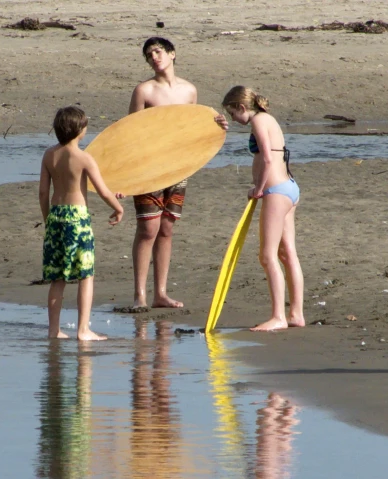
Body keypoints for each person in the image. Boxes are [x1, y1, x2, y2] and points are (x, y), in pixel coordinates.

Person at [126, 36, 228, 311]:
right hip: (149, 167)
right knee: (148, 228)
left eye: (158, 52)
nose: (154, 57)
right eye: (149, 55)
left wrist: (216, 125)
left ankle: (160, 293)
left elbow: (193, 129)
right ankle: (140, 295)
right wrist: (129, 174)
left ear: (172, 53)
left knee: (167, 227)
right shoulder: (143, 91)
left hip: (180, 166)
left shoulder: (189, 91)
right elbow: (129, 133)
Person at [221, 86, 305, 331]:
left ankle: (278, 317)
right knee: (288, 253)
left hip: (276, 191)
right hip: (289, 187)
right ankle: (296, 314)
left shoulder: (258, 121)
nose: (234, 120)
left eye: (232, 114)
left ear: (242, 107)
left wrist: (258, 187)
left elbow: (267, 158)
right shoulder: (269, 118)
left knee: (267, 256)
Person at [39, 106, 124, 341]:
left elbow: (43, 192)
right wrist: (118, 208)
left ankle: (54, 330)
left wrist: (48, 219)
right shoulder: (84, 158)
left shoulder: (49, 155)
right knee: (85, 275)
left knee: (58, 278)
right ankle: (83, 329)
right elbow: (103, 191)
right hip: (77, 219)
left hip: (56, 216)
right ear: (81, 131)